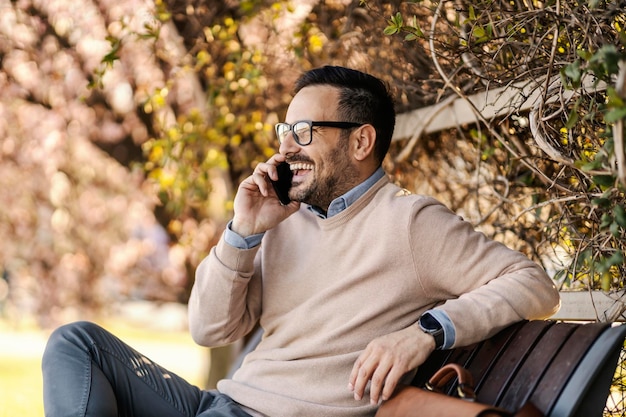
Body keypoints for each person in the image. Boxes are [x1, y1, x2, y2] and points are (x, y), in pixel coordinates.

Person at [42, 65, 560, 417]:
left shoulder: (409, 223)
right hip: (218, 405)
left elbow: (533, 284)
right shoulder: (280, 217)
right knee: (76, 342)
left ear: (361, 141)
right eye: (285, 130)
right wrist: (243, 232)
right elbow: (209, 329)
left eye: (305, 131)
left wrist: (425, 332)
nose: (286, 146)